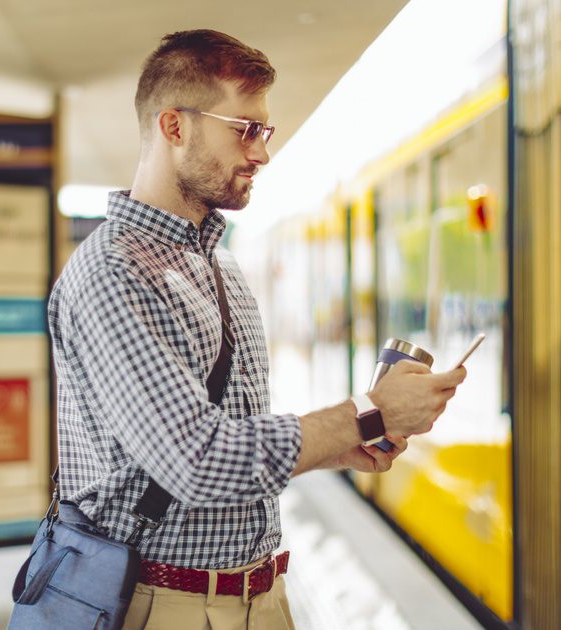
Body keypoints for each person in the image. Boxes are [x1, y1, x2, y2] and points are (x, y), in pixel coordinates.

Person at [47, 30, 467, 629]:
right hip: (160, 606)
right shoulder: (112, 272)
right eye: (245, 129)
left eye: (264, 132)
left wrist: (337, 449)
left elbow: (232, 438)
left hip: (257, 597)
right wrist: (369, 412)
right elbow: (195, 459)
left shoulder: (222, 266)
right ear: (174, 126)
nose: (262, 152)